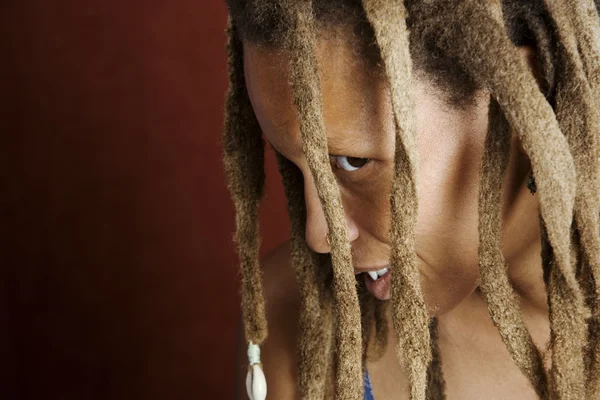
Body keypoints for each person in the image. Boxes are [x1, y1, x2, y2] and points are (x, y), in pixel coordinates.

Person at [222, 0, 600, 399]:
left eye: (353, 162)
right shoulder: (294, 320)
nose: (319, 235)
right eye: (291, 164)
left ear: (523, 101)